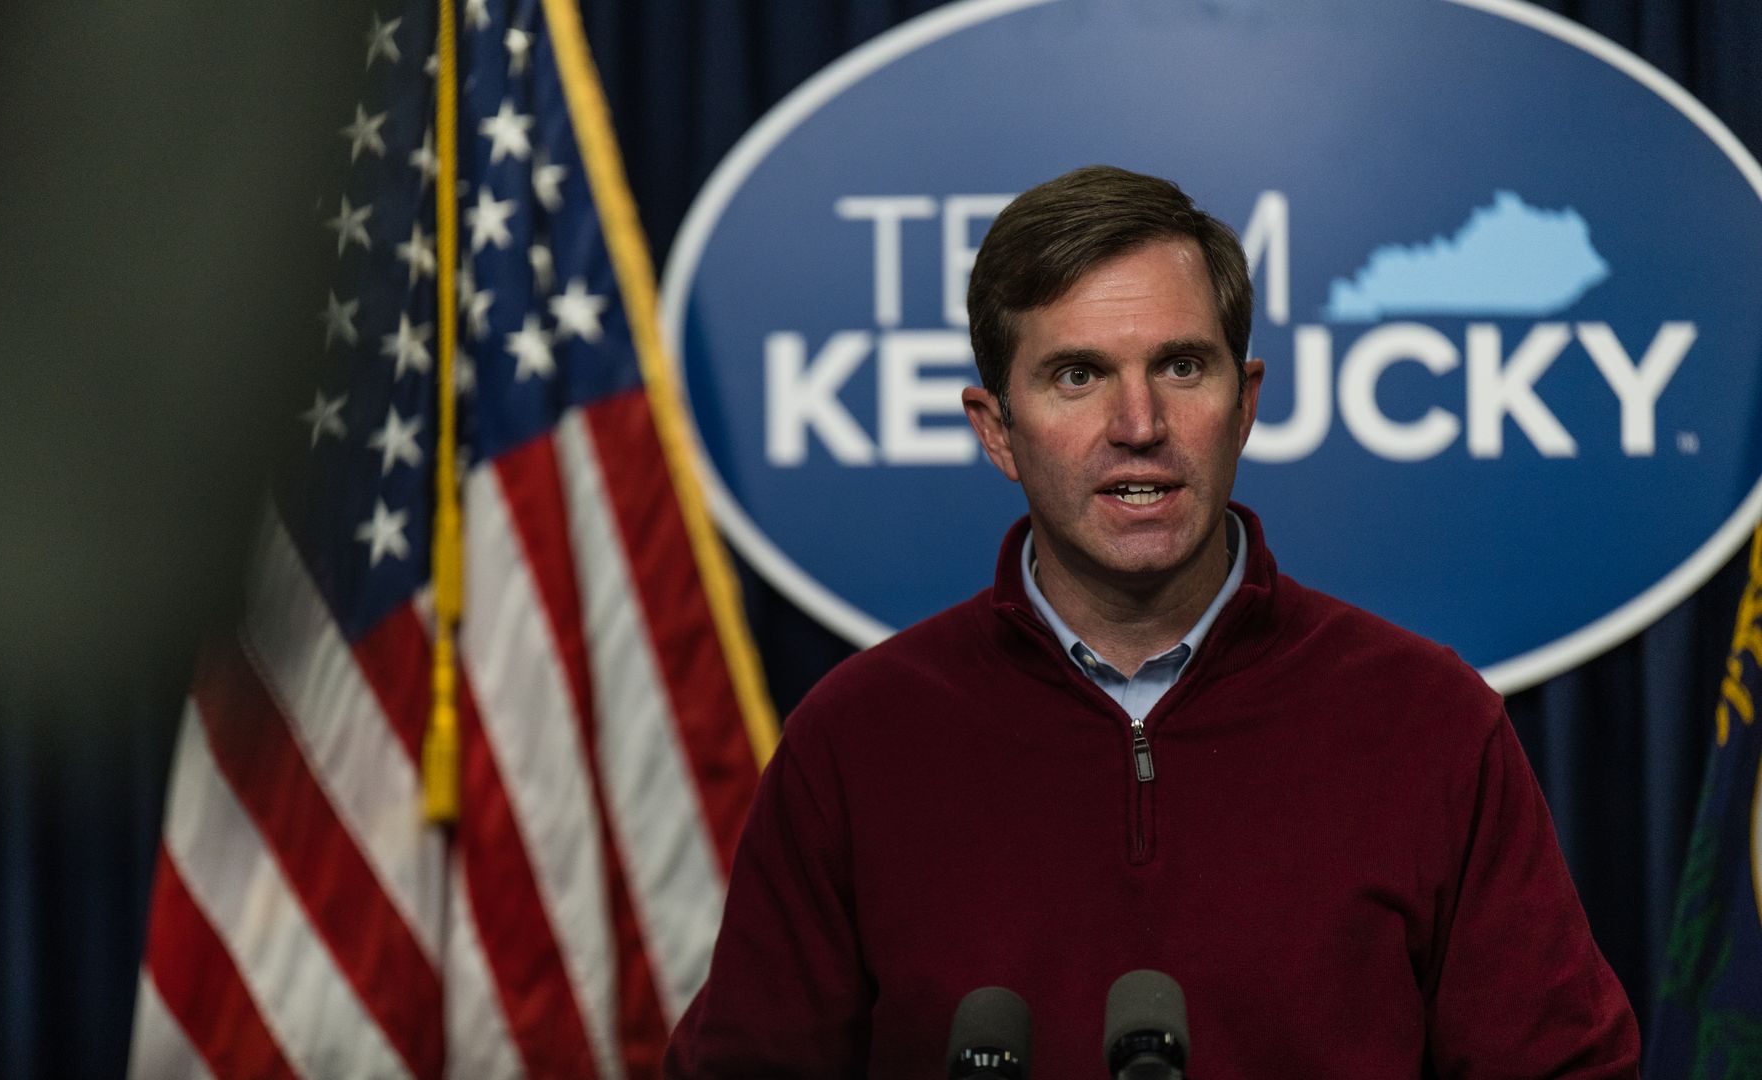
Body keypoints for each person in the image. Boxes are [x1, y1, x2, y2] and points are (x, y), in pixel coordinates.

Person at [664, 166, 1639, 1078]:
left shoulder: (1427, 720)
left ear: (1245, 402)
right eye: (1077, 376)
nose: (1139, 422)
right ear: (995, 428)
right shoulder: (858, 739)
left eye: (1180, 366)